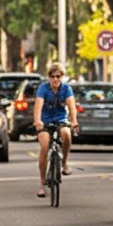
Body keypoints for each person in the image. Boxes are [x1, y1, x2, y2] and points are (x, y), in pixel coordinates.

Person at [33, 63, 79, 194]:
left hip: (60, 120)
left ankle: (64, 163)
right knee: (45, 145)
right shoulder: (43, 89)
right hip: (45, 121)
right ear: (49, 77)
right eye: (52, 76)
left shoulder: (66, 89)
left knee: (66, 133)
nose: (55, 79)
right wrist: (37, 121)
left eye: (58, 76)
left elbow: (71, 106)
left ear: (62, 77)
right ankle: (42, 184)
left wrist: (74, 121)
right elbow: (38, 106)